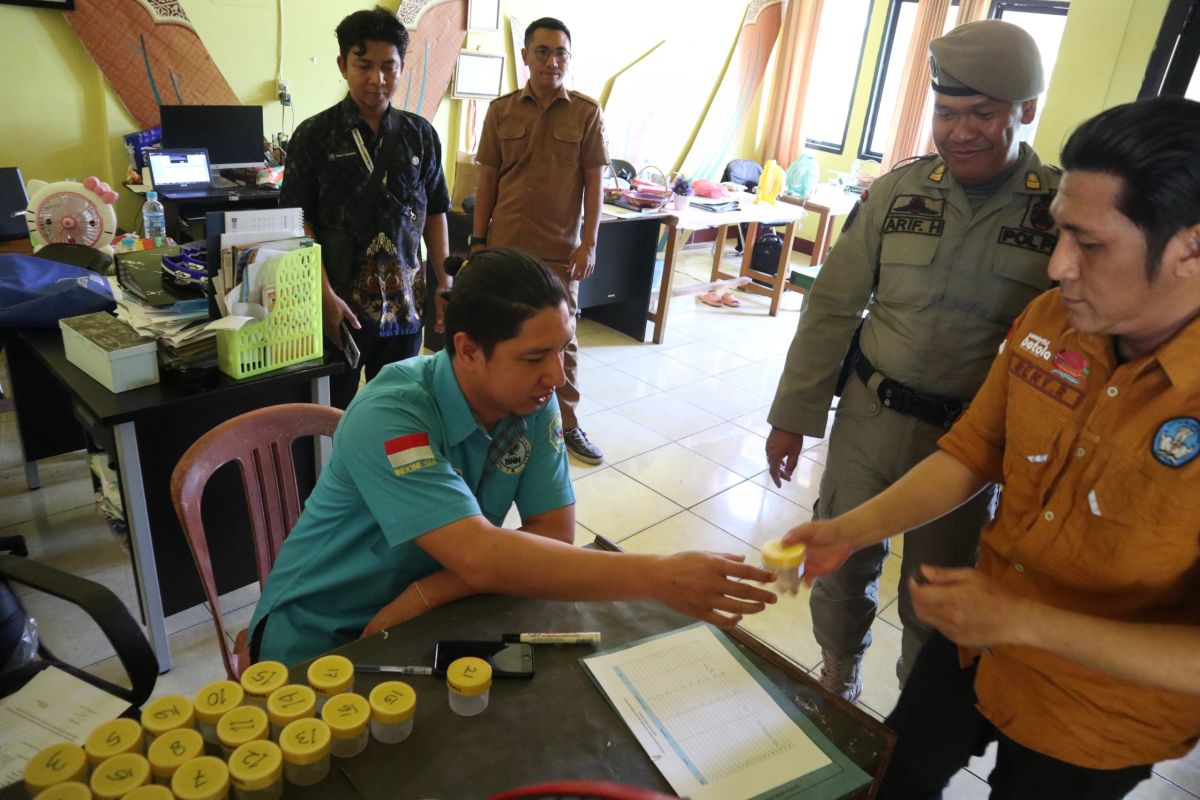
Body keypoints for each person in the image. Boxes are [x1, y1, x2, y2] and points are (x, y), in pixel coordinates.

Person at [784, 95, 1200, 799]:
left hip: (1099, 713)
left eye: (1090, 245)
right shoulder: (1053, 322)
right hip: (976, 647)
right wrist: (847, 531)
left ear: (1191, 248)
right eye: (1059, 234)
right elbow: (973, 452)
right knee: (889, 777)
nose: (1057, 267)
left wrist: (1023, 620)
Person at [248, 248, 778, 665]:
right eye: (533, 357)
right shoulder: (392, 413)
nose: (556, 375)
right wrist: (659, 578)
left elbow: (551, 533)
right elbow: (482, 556)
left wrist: (424, 595)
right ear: (468, 350)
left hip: (426, 616)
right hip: (321, 636)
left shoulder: (530, 397)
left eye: (562, 349)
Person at [764, 20, 1059, 700]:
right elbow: (832, 308)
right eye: (946, 113)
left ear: (1027, 111)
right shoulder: (898, 195)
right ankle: (838, 675)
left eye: (982, 114)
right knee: (839, 568)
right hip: (870, 418)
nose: (960, 132)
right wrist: (793, 416)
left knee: (939, 592)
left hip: (968, 446)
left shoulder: (1057, 213)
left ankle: (912, 716)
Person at [280, 7, 451, 409]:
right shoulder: (314, 135)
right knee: (330, 413)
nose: (377, 80)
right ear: (343, 65)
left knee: (396, 412)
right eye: (364, 65)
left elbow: (437, 210)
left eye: (388, 67)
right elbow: (298, 222)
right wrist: (321, 296)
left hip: (406, 306)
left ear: (402, 66)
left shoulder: (420, 134)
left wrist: (444, 282)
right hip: (339, 307)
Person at [472, 17, 608, 465]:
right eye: (543, 51)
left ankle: (567, 425)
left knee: (561, 342)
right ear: (526, 55)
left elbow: (595, 183)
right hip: (506, 246)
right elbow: (487, 177)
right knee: (502, 334)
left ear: (569, 58)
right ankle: (498, 416)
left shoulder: (587, 113)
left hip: (560, 253)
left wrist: (589, 243)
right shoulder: (501, 110)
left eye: (561, 53)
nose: (552, 61)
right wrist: (477, 241)